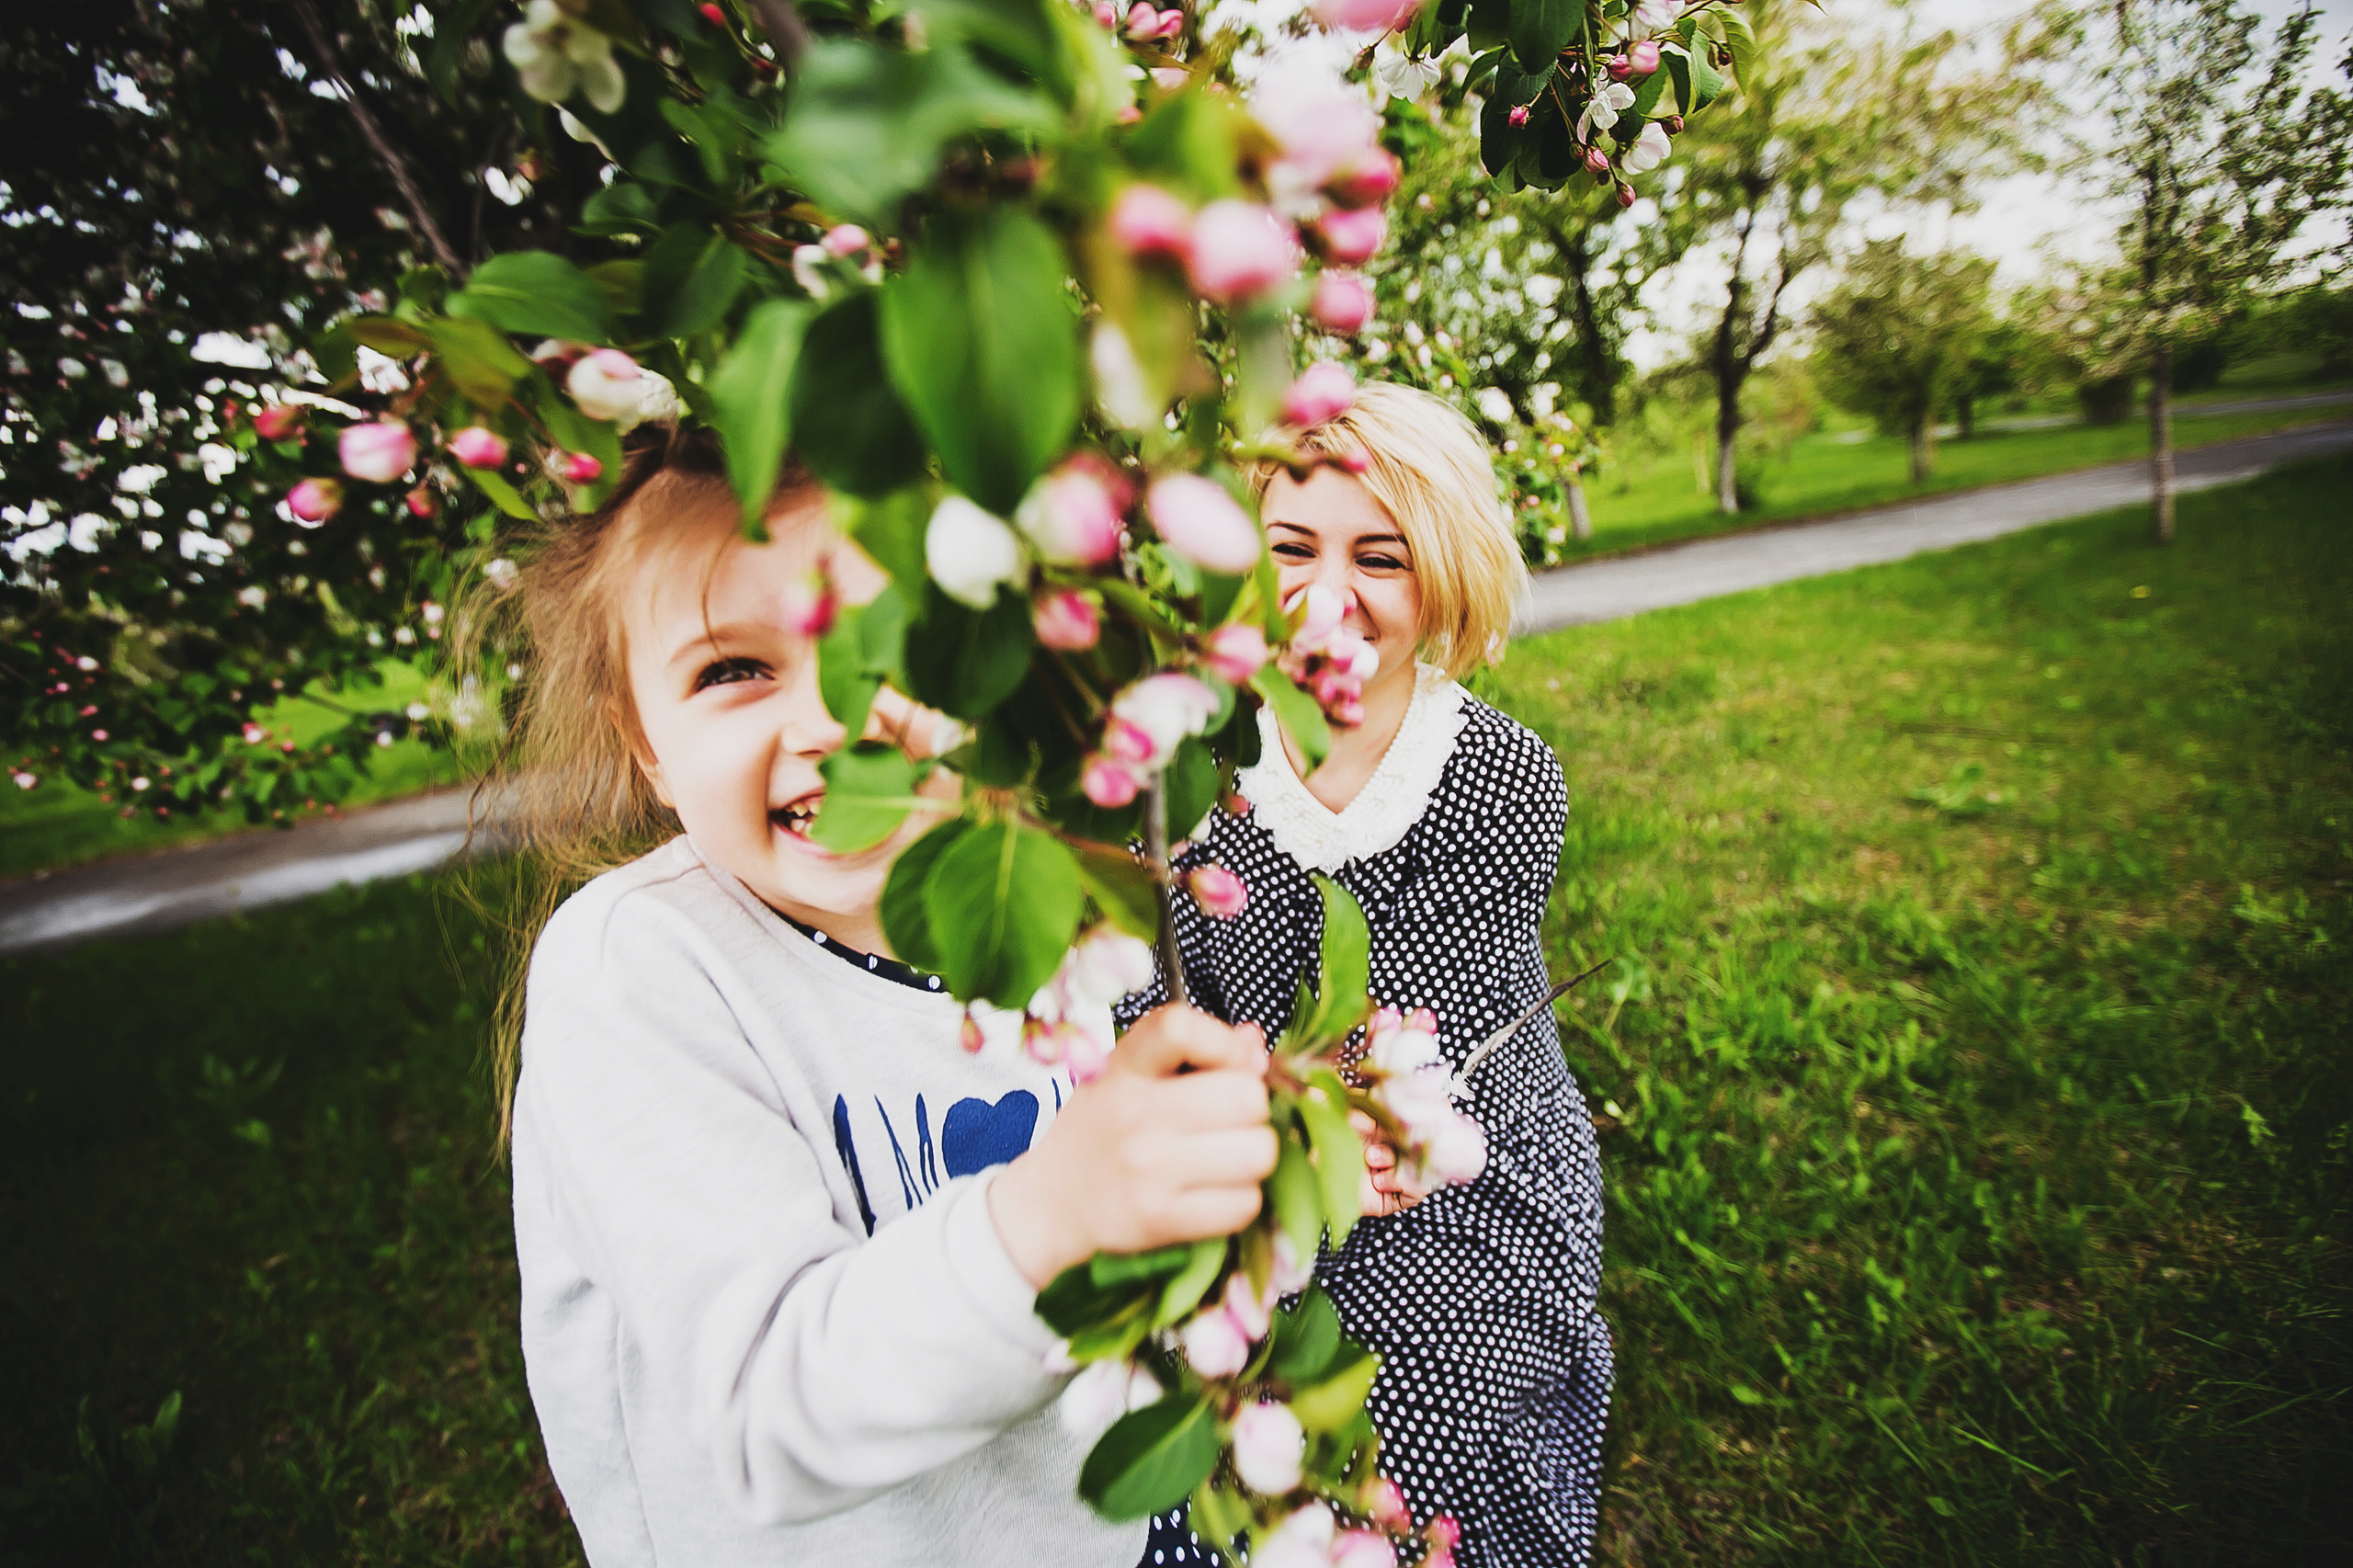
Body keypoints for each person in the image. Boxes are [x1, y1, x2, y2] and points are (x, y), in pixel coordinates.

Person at [486, 426, 1280, 1568]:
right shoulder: (641, 965)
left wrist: (1210, 1177)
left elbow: (1087, 1259)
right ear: (644, 744)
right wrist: (1047, 1216)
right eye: (731, 669)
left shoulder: (1021, 899)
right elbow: (768, 1414)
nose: (831, 722)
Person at [1129, 383, 1612, 1568]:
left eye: (1378, 557)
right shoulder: (1188, 758)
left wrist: (1227, 1101)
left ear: (1441, 577)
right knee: (1168, 1426)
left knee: (1414, 1430)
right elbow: (1140, 987)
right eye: (1290, 547)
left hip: (1449, 1178)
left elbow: (1382, 1074)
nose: (1324, 595)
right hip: (1236, 1159)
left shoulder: (1497, 782)